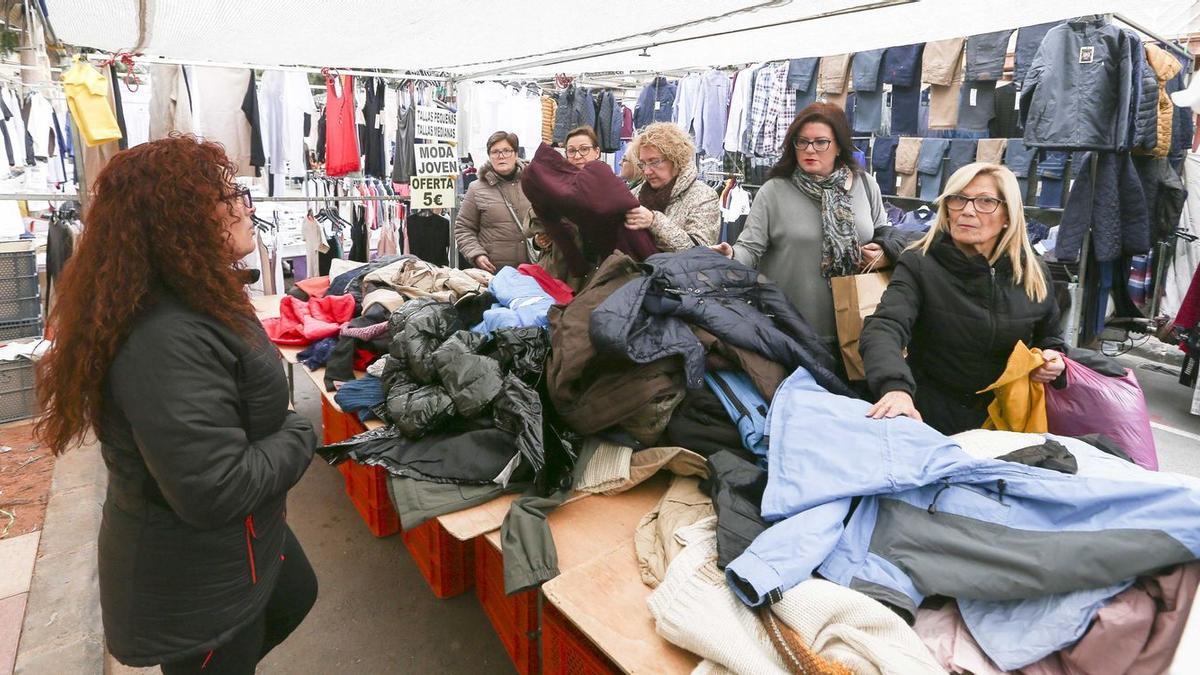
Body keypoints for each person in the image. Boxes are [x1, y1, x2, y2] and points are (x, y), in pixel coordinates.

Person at [34, 136, 318, 673]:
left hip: (236, 546)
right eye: (226, 195)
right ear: (179, 218)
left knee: (294, 591)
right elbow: (215, 489)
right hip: (190, 583)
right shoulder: (163, 338)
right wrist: (301, 432)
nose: (243, 207)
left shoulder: (196, 294)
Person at [859, 162, 1066, 434]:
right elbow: (884, 326)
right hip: (928, 419)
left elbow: (1049, 337)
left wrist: (1054, 360)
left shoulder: (1033, 274)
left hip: (1004, 424)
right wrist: (895, 388)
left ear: (1008, 215)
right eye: (958, 199)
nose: (968, 210)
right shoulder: (920, 263)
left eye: (985, 201)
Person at [712, 102, 909, 356]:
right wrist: (730, 255)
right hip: (793, 329)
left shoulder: (864, 184)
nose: (809, 150)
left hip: (857, 324)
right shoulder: (774, 191)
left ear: (839, 145)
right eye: (801, 141)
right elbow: (750, 248)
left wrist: (883, 254)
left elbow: (883, 231)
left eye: (820, 142)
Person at [625, 122, 720, 250]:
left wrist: (654, 221)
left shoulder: (704, 197)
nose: (647, 171)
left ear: (676, 159)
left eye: (654, 162)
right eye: (643, 164)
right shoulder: (634, 195)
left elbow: (700, 251)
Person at [455, 130, 533, 273]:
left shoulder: (534, 183)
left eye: (506, 151)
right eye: (495, 152)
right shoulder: (476, 188)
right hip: (495, 272)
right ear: (490, 156)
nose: (501, 156)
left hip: (533, 270)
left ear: (516, 154)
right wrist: (477, 254)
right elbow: (463, 228)